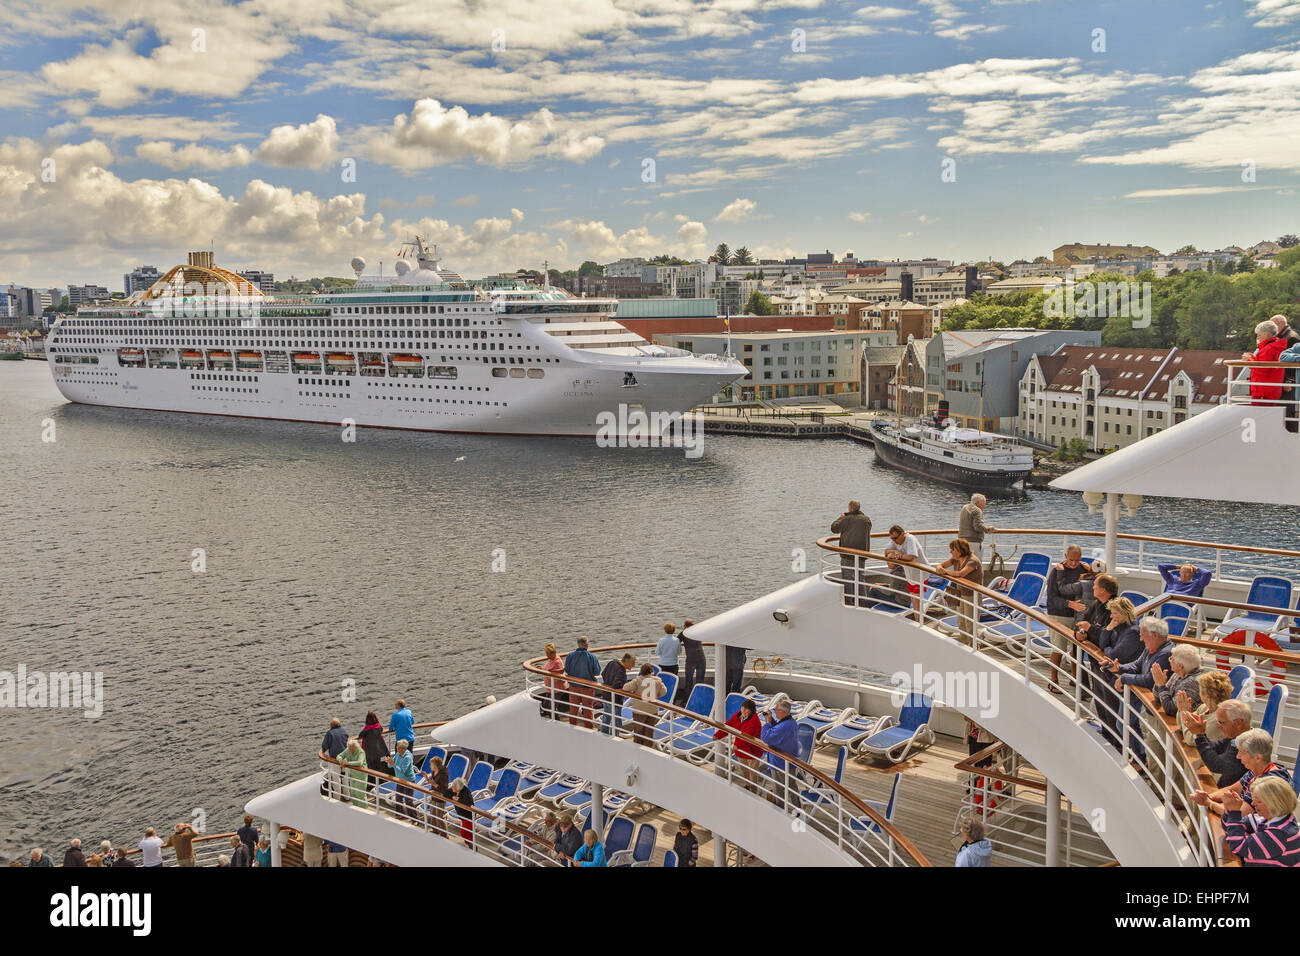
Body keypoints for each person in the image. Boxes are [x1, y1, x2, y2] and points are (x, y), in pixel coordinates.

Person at [1103, 615, 1173, 754]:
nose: (1140, 639)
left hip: (1154, 705)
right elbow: (1137, 665)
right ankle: (1138, 757)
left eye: (1143, 635)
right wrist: (1119, 668)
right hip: (1140, 698)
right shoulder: (1151, 647)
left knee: (1129, 726)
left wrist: (1124, 678)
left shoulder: (1166, 654)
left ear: (1155, 635)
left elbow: (1149, 680)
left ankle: (1139, 759)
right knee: (1124, 724)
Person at [1191, 728, 1290, 816]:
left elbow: (1241, 814)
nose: (1238, 756)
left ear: (1258, 758)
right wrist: (1208, 796)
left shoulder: (1268, 782)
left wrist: (1209, 803)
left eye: (1242, 752)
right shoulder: (1255, 771)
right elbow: (1232, 790)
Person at [1145, 643, 1204, 786]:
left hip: (1182, 729)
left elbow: (1171, 709)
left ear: (1181, 666)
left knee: (1168, 762)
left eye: (1172, 658)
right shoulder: (1178, 676)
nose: (1169, 659)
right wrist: (1160, 685)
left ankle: (1169, 796)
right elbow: (1158, 696)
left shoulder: (1191, 683)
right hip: (1172, 725)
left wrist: (1161, 685)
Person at [1044, 547, 1097, 691]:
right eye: (1071, 560)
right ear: (1065, 556)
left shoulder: (1083, 569)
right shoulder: (1056, 571)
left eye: (1077, 560)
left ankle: (1075, 678)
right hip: (1060, 614)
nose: (1074, 563)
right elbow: (1052, 597)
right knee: (1058, 648)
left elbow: (1093, 582)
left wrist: (1090, 570)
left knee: (1076, 648)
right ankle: (1053, 680)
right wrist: (1070, 604)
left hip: (1078, 616)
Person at [1222, 776, 1300, 866]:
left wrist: (1234, 812)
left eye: (1258, 801)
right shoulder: (1270, 819)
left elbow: (1238, 847)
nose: (1253, 803)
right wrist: (1229, 809)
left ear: (1274, 803)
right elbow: (1230, 829)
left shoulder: (1279, 833)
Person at [1184, 698, 1253, 787]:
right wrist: (1201, 733)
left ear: (1238, 723)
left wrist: (1199, 734)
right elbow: (1213, 748)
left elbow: (1216, 764)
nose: (1218, 726)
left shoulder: (1248, 744)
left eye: (1222, 722)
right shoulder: (1235, 737)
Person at [935, 538, 983, 645]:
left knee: (970, 623)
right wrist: (940, 568)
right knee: (961, 622)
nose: (950, 552)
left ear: (959, 550)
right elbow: (940, 565)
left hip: (972, 595)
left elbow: (961, 573)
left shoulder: (972, 561)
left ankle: (974, 645)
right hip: (960, 594)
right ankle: (965, 643)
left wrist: (945, 572)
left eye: (952, 550)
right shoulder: (955, 559)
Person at [714, 697, 763, 789]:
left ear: (751, 711)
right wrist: (718, 735)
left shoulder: (755, 721)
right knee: (744, 769)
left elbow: (747, 735)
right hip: (741, 750)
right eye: (742, 708)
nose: (743, 711)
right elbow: (729, 725)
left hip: (752, 751)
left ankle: (753, 789)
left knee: (753, 772)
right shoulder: (738, 715)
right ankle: (747, 785)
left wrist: (737, 745)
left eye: (746, 709)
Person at [831, 500, 872, 606]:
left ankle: (849, 600)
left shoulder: (847, 519)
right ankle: (862, 600)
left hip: (847, 553)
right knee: (860, 576)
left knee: (848, 576)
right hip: (862, 553)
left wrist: (841, 517)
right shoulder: (866, 519)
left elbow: (834, 528)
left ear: (850, 508)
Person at [1175, 670, 1232, 745]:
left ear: (1206, 696)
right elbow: (1182, 725)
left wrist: (1184, 712)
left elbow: (1191, 740)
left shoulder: (1218, 719)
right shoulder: (1204, 707)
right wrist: (1182, 710)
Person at [761, 699, 800, 807]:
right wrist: (772, 721)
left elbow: (766, 737)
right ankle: (798, 808)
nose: (774, 711)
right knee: (791, 785)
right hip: (788, 761)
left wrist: (768, 723)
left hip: (780, 763)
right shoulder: (790, 722)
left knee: (779, 788)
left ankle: (780, 809)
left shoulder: (785, 726)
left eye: (775, 710)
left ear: (782, 712)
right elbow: (778, 730)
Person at [883, 524, 927, 617]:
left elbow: (911, 556)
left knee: (917, 601)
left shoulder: (910, 539)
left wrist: (897, 557)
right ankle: (918, 622)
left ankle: (920, 623)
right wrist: (894, 552)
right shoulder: (895, 540)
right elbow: (886, 551)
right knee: (914, 600)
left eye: (895, 538)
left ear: (902, 534)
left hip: (920, 573)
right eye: (892, 539)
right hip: (910, 574)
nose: (894, 541)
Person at [623, 663, 667, 746]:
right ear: (651, 671)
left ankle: (638, 747)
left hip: (640, 710)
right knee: (649, 731)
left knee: (638, 730)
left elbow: (625, 687)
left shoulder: (638, 680)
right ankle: (648, 748)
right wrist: (656, 695)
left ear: (641, 671)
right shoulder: (658, 681)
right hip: (652, 710)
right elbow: (664, 692)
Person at [1244, 318, 1286, 405]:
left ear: (1266, 334)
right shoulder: (1275, 346)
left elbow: (1261, 369)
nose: (1258, 338)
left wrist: (1248, 360)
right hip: (1271, 390)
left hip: (1263, 391)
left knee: (1258, 416)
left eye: (1259, 335)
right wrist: (1253, 357)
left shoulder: (1269, 349)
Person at [564, 636, 601, 730]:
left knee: (573, 708)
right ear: (587, 645)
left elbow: (567, 670)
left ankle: (572, 727)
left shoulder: (570, 655)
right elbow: (597, 672)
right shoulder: (592, 657)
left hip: (573, 686)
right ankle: (589, 729)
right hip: (587, 687)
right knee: (588, 709)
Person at [599, 652, 635, 736]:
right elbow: (617, 685)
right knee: (617, 721)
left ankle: (604, 735)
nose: (633, 666)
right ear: (627, 661)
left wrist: (608, 683)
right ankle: (614, 737)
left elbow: (603, 673)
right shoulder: (621, 670)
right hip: (615, 699)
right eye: (632, 663)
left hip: (606, 694)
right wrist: (626, 690)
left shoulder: (613, 662)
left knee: (606, 717)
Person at [386, 739, 418, 822]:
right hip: (400, 780)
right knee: (398, 797)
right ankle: (400, 814)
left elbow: (403, 771)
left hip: (408, 781)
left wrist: (393, 765)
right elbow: (390, 766)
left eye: (399, 748)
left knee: (408, 800)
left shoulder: (407, 757)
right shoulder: (397, 754)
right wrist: (389, 762)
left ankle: (415, 819)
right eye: (397, 747)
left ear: (403, 749)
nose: (397, 749)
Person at [359, 711, 390, 792]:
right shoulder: (378, 727)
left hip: (370, 752)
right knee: (379, 767)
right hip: (379, 751)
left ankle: (371, 785)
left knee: (370, 768)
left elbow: (360, 735)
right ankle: (381, 783)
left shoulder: (366, 730)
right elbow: (381, 730)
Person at [958, 493, 996, 561]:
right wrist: (988, 529)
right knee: (975, 564)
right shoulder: (977, 510)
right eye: (984, 503)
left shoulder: (964, 507)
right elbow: (978, 526)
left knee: (964, 562)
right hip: (973, 542)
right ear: (977, 503)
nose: (984, 506)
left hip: (962, 541)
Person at [319, 716, 349, 798]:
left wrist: (323, 752)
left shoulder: (330, 733)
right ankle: (347, 796)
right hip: (345, 758)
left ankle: (337, 797)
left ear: (331, 725)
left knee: (336, 779)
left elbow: (325, 745)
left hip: (334, 759)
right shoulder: (344, 730)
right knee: (345, 777)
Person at [336, 737, 370, 807]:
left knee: (360, 794)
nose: (350, 750)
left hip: (361, 775)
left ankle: (364, 809)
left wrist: (347, 763)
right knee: (353, 793)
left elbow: (359, 763)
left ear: (356, 747)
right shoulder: (348, 749)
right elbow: (339, 756)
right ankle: (356, 808)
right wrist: (340, 761)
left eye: (352, 748)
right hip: (352, 775)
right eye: (349, 748)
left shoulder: (361, 752)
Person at [679, 618, 705, 703]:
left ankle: (686, 701)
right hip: (701, 658)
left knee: (689, 681)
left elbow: (676, 642)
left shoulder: (683, 633)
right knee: (700, 681)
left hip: (691, 659)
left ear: (685, 626)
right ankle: (699, 700)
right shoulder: (698, 632)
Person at [541, 642, 568, 720]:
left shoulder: (557, 662)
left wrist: (546, 674)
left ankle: (556, 722)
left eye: (548, 653)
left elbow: (557, 678)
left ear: (553, 653)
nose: (546, 655)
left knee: (551, 708)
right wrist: (542, 669)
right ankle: (552, 720)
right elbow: (549, 670)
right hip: (550, 688)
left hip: (557, 689)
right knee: (546, 705)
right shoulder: (550, 659)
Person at [450, 778, 476, 846]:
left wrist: (458, 799)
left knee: (464, 832)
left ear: (457, 787)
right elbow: (447, 793)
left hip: (468, 816)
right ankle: (470, 844)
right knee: (466, 833)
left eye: (453, 786)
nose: (451, 787)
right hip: (462, 816)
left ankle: (472, 846)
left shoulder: (466, 792)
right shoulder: (455, 791)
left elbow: (468, 803)